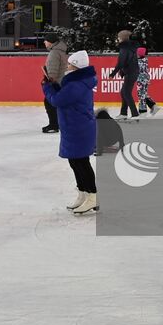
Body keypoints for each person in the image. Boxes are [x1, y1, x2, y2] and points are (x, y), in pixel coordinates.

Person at [41, 49, 99, 215]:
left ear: (76, 66)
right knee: (75, 162)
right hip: (75, 126)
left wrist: (46, 87)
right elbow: (64, 96)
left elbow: (58, 100)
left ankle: (93, 196)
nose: (67, 66)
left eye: (69, 64)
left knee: (81, 163)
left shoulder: (76, 84)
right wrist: (53, 85)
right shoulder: (77, 81)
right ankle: (84, 193)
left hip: (78, 128)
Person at [107, 29, 139, 119]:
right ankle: (123, 113)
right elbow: (127, 61)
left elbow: (121, 63)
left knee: (126, 92)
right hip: (132, 72)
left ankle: (135, 114)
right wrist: (122, 71)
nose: (118, 39)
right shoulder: (131, 47)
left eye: (119, 37)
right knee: (124, 92)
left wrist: (112, 74)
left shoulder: (124, 48)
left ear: (123, 38)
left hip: (130, 73)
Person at [41, 36, 69, 133]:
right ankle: (58, 123)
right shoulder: (61, 51)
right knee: (55, 103)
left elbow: (53, 70)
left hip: (56, 82)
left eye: (46, 40)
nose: (44, 42)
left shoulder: (54, 53)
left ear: (50, 42)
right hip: (62, 82)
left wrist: (48, 79)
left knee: (49, 102)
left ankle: (54, 125)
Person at [136, 46, 159, 115]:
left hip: (141, 79)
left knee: (141, 95)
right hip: (144, 79)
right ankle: (153, 105)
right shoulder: (144, 60)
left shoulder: (139, 61)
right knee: (143, 94)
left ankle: (142, 111)